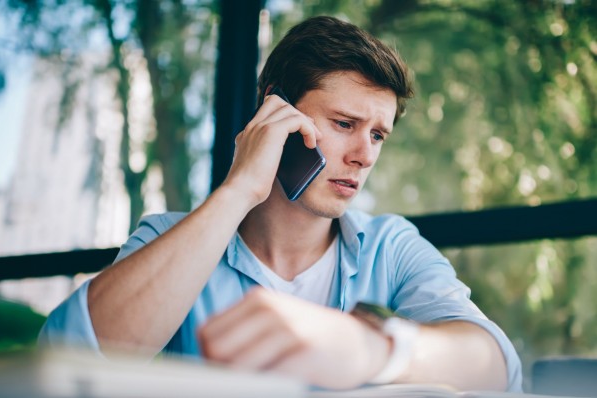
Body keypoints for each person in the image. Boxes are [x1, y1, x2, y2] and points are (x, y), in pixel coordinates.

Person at [40, 16, 522, 392]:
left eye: (378, 134)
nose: (365, 154)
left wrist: (369, 348)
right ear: (276, 109)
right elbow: (61, 358)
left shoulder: (389, 248)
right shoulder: (169, 238)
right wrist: (238, 191)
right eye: (343, 123)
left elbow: (496, 365)